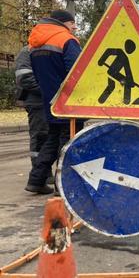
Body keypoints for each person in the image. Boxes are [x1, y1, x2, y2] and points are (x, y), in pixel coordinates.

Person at [25, 10, 83, 194]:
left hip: (50, 103)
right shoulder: (66, 40)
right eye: (72, 22)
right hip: (69, 103)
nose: (74, 26)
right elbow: (78, 71)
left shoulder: (34, 44)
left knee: (52, 141)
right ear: (62, 23)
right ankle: (62, 186)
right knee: (68, 144)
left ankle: (36, 180)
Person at [14, 46, 51, 184]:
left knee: (50, 137)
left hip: (46, 100)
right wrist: (49, 91)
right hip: (36, 101)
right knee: (40, 136)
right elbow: (25, 78)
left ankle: (43, 174)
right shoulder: (27, 51)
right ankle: (41, 174)